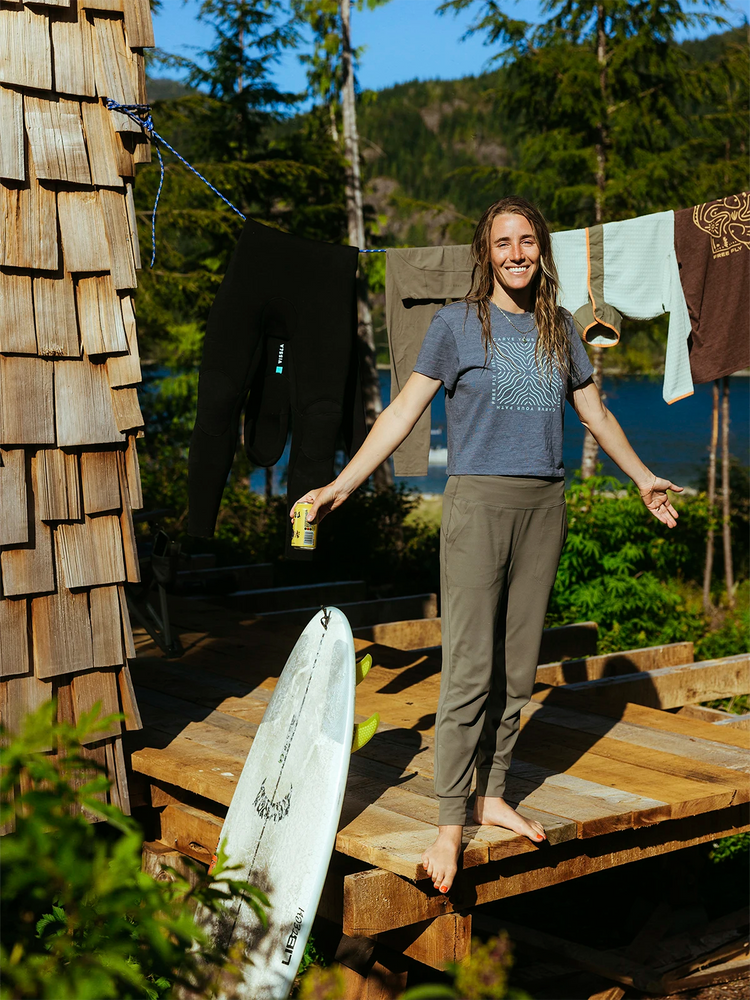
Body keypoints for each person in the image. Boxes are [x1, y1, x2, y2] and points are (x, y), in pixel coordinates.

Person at [290, 196, 682, 894]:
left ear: (541, 250)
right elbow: (404, 410)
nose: (516, 253)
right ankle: (449, 824)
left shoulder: (561, 329)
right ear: (485, 254)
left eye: (527, 240)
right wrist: (342, 484)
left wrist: (646, 477)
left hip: (544, 508)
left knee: (519, 667)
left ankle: (491, 792)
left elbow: (594, 415)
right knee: (470, 668)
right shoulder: (453, 327)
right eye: (503, 242)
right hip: (477, 506)